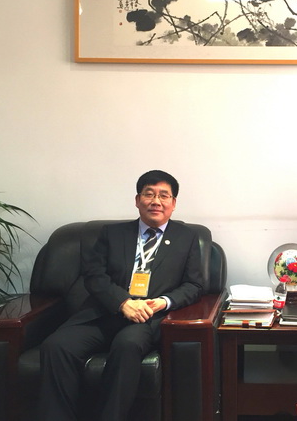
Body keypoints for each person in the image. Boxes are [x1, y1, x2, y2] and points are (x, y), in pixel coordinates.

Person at [39, 170, 204, 421]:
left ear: (173, 203)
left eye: (163, 196)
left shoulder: (187, 238)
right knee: (56, 346)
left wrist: (163, 302)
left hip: (147, 318)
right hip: (105, 312)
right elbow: (94, 275)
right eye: (149, 194)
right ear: (137, 200)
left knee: (127, 346)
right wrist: (122, 302)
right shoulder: (112, 234)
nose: (156, 201)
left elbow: (194, 284)